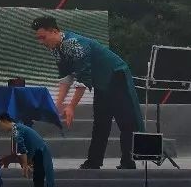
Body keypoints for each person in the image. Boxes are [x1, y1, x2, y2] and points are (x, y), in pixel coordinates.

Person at [31, 15, 144, 169]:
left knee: (125, 121)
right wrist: (57, 105)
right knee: (100, 122)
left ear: (54, 31)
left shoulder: (74, 44)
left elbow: (83, 79)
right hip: (101, 82)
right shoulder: (56, 49)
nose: (41, 42)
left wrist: (71, 106)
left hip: (116, 75)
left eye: (43, 37)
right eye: (39, 39)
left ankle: (128, 162)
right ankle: (94, 161)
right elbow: (66, 77)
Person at [0, 113, 54, 187]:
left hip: (40, 152)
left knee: (38, 180)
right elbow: (26, 148)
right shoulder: (18, 127)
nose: (1, 128)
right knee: (37, 180)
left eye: (1, 125)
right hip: (38, 152)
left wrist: (25, 166)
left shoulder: (16, 129)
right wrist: (28, 164)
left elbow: (22, 149)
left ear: (5, 121)